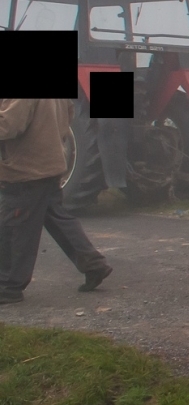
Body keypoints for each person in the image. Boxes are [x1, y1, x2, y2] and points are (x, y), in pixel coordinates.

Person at [0, 98, 113, 304]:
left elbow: (9, 126)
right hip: (50, 164)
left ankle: (8, 286)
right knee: (57, 218)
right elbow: (68, 115)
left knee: (14, 226)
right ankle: (93, 264)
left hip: (26, 168)